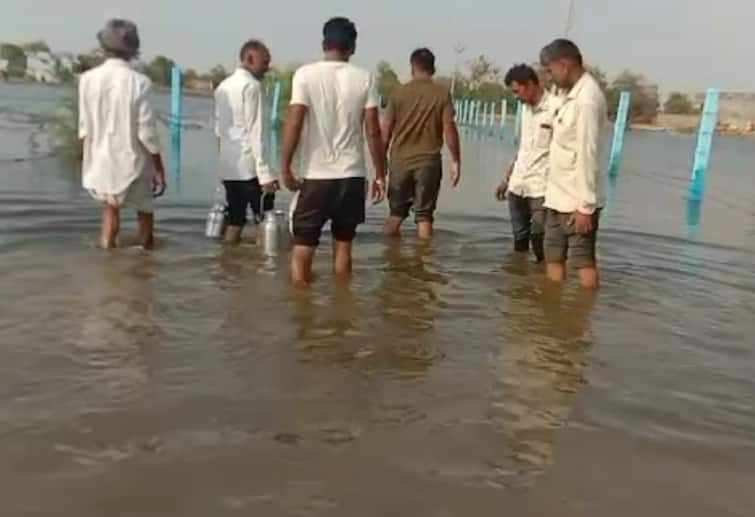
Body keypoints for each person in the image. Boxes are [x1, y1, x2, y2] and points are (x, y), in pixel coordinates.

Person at [281, 17, 387, 287]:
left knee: (303, 247)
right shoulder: (365, 78)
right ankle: (343, 312)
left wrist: (285, 167)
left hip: (316, 177)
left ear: (324, 43)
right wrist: (380, 174)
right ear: (352, 47)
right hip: (352, 177)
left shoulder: (305, 75)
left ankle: (302, 316)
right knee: (344, 247)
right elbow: (373, 130)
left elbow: (294, 121)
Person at [78, 19, 166, 249]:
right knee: (145, 212)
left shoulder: (87, 80)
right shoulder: (140, 82)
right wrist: (158, 167)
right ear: (134, 48)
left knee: (110, 209)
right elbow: (146, 132)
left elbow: (84, 126)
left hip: (101, 159)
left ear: (104, 46)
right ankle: (146, 261)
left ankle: (107, 257)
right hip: (134, 161)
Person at [539, 39, 608, 289]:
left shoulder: (587, 100)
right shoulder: (568, 95)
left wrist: (586, 207)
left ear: (565, 65)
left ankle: (585, 316)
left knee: (583, 262)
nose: (549, 76)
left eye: (550, 70)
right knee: (553, 256)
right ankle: (554, 314)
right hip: (557, 196)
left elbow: (587, 153)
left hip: (577, 201)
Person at [381, 48, 461, 240]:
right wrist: (456, 160)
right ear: (432, 68)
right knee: (424, 216)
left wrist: (380, 163)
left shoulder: (398, 93)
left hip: (400, 162)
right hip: (428, 162)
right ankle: (423, 263)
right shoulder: (441, 94)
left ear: (412, 67)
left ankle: (389, 256)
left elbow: (386, 130)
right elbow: (449, 128)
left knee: (396, 213)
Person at [214, 39, 278, 243]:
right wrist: (266, 174)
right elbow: (256, 132)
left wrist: (223, 166)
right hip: (250, 169)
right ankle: (265, 268)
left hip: (230, 167)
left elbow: (219, 132)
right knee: (264, 221)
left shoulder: (223, 86)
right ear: (250, 58)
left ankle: (227, 263)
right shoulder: (252, 87)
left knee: (235, 219)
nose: (267, 68)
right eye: (264, 62)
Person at [495, 64, 560, 262]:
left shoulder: (556, 109)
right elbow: (524, 149)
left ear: (531, 85)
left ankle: (544, 282)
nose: (515, 96)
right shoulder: (525, 110)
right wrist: (507, 179)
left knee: (540, 239)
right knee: (519, 241)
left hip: (542, 188)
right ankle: (521, 283)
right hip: (518, 185)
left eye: (517, 91)